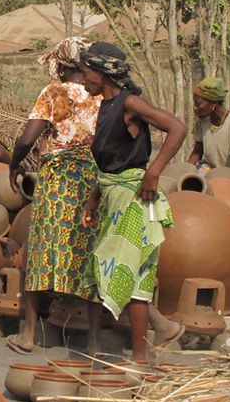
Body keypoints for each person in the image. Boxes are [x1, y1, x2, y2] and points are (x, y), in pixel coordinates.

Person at [78, 41, 187, 362]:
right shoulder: (105, 107)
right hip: (115, 196)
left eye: (86, 72)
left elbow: (177, 128)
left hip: (136, 197)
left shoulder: (130, 103)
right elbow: (108, 165)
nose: (84, 79)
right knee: (106, 267)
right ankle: (129, 343)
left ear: (102, 73)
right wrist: (93, 201)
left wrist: (153, 172)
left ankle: (141, 355)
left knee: (130, 271)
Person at [5, 36, 101, 354]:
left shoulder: (54, 93)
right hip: (92, 181)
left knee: (42, 250)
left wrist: (14, 163)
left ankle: (28, 334)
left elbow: (28, 136)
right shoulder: (102, 94)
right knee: (87, 253)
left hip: (57, 182)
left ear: (60, 64)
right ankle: (95, 342)